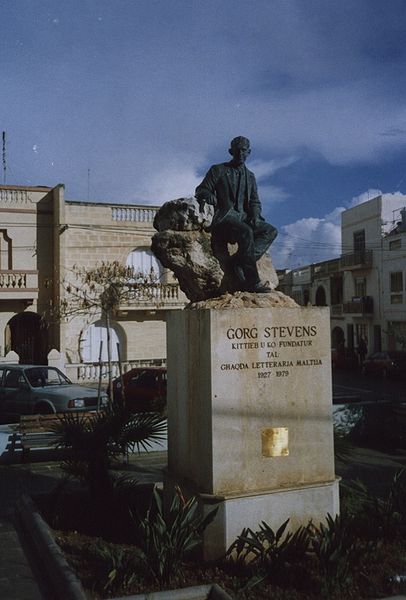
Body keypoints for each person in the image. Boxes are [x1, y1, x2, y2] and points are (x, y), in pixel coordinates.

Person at [195, 136, 277, 293]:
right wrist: (207, 195)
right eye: (237, 150)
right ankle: (252, 282)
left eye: (244, 151)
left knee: (270, 230)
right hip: (225, 219)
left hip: (244, 217)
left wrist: (254, 215)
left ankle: (239, 262)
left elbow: (255, 201)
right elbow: (201, 189)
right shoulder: (218, 170)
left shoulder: (250, 176)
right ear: (231, 151)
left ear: (249, 152)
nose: (241, 154)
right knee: (246, 232)